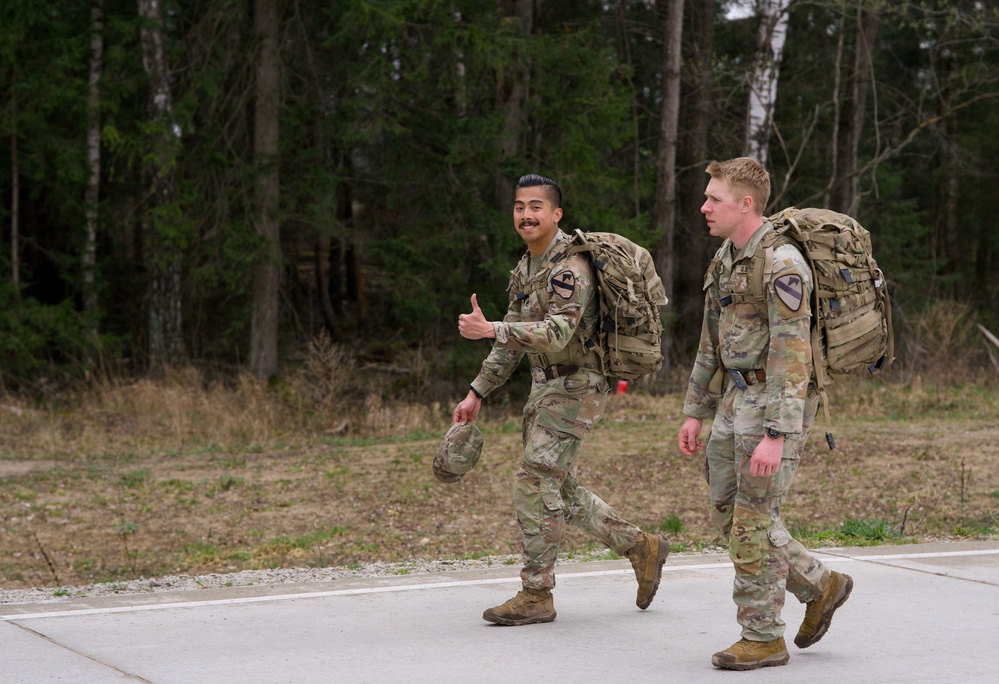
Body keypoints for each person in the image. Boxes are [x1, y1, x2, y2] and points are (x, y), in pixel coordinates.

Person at [452, 173, 669, 626]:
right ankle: (640, 546)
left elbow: (556, 332)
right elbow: (511, 343)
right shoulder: (525, 269)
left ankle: (536, 593)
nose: (526, 215)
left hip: (577, 387)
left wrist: (491, 327)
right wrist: (477, 391)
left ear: (556, 214)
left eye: (536, 207)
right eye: (519, 206)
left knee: (534, 482)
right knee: (559, 488)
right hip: (546, 387)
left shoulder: (569, 269)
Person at [677, 157, 853, 670]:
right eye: (707, 197)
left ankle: (762, 636)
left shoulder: (782, 263)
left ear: (745, 203)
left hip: (773, 405)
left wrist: (778, 431)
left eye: (715, 198)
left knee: (753, 521)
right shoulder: (725, 260)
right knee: (726, 515)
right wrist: (695, 410)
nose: (705, 206)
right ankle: (821, 584)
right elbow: (710, 343)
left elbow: (792, 350)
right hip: (734, 400)